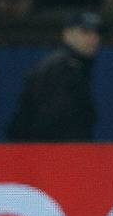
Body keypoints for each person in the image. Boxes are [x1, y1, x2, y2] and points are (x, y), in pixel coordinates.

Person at [7, 12, 101, 142]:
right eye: (85, 32)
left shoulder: (75, 66)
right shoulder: (60, 68)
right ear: (67, 34)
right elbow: (55, 121)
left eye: (96, 33)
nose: (93, 38)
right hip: (50, 153)